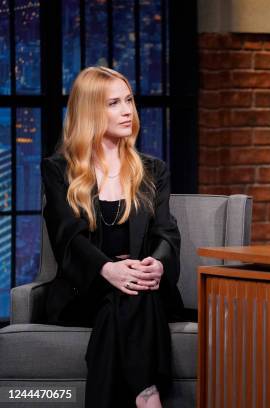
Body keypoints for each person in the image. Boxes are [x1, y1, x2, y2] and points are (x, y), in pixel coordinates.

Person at [42, 66, 184, 407]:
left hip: (142, 288)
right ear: (91, 111)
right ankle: (148, 396)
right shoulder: (59, 170)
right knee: (123, 292)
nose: (127, 110)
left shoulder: (152, 170)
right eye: (114, 103)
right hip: (85, 291)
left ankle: (143, 396)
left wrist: (159, 266)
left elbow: (166, 232)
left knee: (129, 293)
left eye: (129, 100)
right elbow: (67, 238)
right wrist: (108, 270)